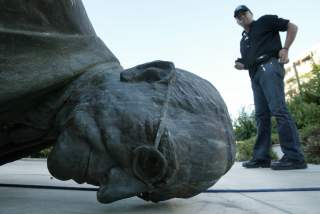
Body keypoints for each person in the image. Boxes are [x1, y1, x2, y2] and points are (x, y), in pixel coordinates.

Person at [233, 5, 307, 170]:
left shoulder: (265, 21)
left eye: (245, 13)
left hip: (269, 67)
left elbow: (292, 27)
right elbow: (247, 60)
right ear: (237, 21)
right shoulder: (244, 39)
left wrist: (285, 49)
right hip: (255, 76)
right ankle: (261, 158)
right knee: (261, 116)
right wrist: (241, 64)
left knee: (278, 109)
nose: (242, 17)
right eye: (238, 17)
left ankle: (295, 157)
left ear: (251, 14)